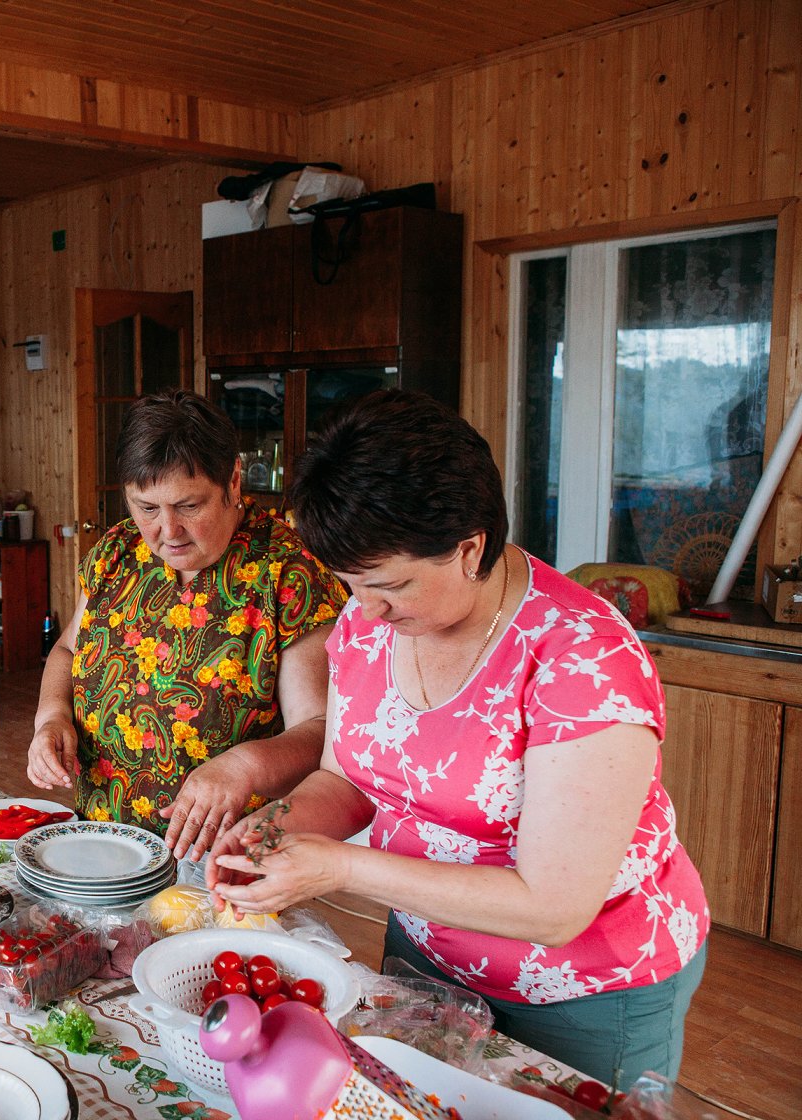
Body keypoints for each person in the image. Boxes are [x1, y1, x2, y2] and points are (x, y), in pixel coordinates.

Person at [207, 390, 709, 1088]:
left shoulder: (583, 660)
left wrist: (340, 868)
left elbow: (555, 907)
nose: (365, 611)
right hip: (426, 949)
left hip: (583, 991)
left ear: (469, 547)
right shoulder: (367, 626)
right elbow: (348, 779)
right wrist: (269, 833)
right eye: (351, 584)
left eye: (389, 585)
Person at [27, 390, 347, 859]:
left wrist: (243, 766)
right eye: (147, 508)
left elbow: (320, 732)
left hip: (224, 855)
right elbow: (68, 649)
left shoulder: (288, 575)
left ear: (233, 481)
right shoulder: (116, 553)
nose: (168, 530)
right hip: (102, 838)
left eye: (189, 506)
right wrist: (51, 715)